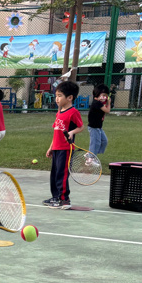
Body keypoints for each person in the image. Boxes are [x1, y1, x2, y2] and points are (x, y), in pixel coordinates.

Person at [44, 80, 85, 210]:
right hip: (56, 148)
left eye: (60, 96)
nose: (56, 99)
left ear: (70, 97)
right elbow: (56, 131)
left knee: (62, 174)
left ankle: (64, 200)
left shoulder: (73, 112)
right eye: (56, 95)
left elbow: (81, 127)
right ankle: (55, 197)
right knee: (54, 174)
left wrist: (72, 132)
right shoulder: (59, 112)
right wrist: (51, 147)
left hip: (66, 149)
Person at [87, 83, 111, 158]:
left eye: (106, 96)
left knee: (104, 141)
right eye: (103, 95)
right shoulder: (97, 103)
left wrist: (106, 102)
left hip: (98, 127)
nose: (105, 97)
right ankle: (91, 158)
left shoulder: (100, 103)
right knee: (95, 143)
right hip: (94, 127)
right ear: (97, 94)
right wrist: (109, 103)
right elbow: (107, 110)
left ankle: (91, 154)